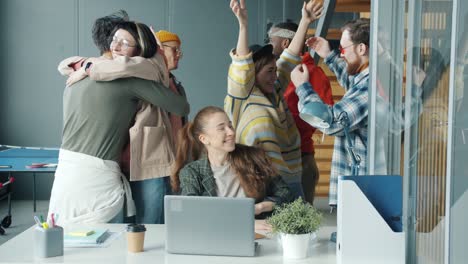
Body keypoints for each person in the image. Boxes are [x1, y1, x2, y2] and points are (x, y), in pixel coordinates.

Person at [48, 21, 189, 225]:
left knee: (72, 238)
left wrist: (87, 67)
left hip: (67, 173)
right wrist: (156, 54)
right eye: (115, 40)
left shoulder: (76, 76)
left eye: (124, 42)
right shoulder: (132, 79)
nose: (116, 46)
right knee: (129, 237)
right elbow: (180, 106)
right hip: (106, 173)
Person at [224, 0, 323, 199]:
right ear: (253, 73)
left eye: (275, 71)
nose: (275, 76)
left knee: (297, 227)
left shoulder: (275, 91)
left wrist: (305, 21)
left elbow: (290, 58)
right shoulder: (242, 95)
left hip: (288, 175)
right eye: (269, 71)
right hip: (256, 178)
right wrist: (243, 25)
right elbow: (242, 65)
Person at [291, 18, 374, 207]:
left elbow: (332, 121)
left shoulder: (371, 87)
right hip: (360, 186)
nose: (341, 55)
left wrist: (303, 87)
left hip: (363, 189)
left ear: (361, 49)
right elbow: (352, 81)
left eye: (343, 49)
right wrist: (328, 54)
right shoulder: (368, 79)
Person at [171, 106, 293, 226]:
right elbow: (191, 213)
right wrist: (243, 221)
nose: (231, 132)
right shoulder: (192, 172)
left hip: (258, 235)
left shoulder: (254, 157)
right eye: (221, 128)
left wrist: (260, 207)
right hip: (214, 236)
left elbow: (286, 194)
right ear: (204, 139)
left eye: (230, 126)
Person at [268, 21, 334, 205]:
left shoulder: (312, 73)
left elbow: (325, 117)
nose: (268, 45)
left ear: (285, 43)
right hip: (276, 159)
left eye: (271, 40)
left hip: (301, 158)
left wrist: (288, 126)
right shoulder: (273, 74)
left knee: (300, 226)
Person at [154, 30, 188, 145]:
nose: (178, 54)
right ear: (159, 49)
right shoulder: (150, 84)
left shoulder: (179, 88)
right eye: (174, 50)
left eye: (179, 51)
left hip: (178, 156)